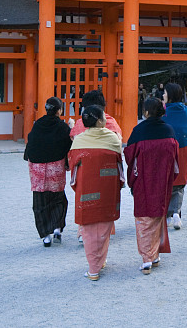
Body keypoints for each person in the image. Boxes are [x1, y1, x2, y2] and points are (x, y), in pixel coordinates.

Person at [123, 97, 179, 275]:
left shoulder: (139, 131)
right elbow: (174, 158)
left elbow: (129, 155)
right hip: (162, 180)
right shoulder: (169, 131)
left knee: (143, 218)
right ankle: (154, 255)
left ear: (146, 112)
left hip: (143, 180)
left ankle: (147, 258)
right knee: (157, 215)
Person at [68, 105, 124, 281]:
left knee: (89, 229)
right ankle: (98, 262)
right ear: (100, 121)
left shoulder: (78, 141)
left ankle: (94, 267)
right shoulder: (113, 140)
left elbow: (73, 166)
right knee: (105, 226)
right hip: (107, 188)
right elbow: (119, 162)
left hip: (87, 189)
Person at [23, 97, 72, 247]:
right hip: (55, 167)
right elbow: (68, 144)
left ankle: (45, 236)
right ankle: (57, 228)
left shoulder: (38, 125)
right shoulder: (62, 127)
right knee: (57, 198)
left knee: (40, 201)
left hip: (38, 168)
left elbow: (31, 142)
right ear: (59, 110)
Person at [162, 82, 187, 230]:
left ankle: (167, 214)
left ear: (170, 95)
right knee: (179, 182)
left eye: (165, 93)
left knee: (165, 181)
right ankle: (176, 213)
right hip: (183, 148)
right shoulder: (185, 110)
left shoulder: (164, 111)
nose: (163, 95)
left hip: (167, 149)